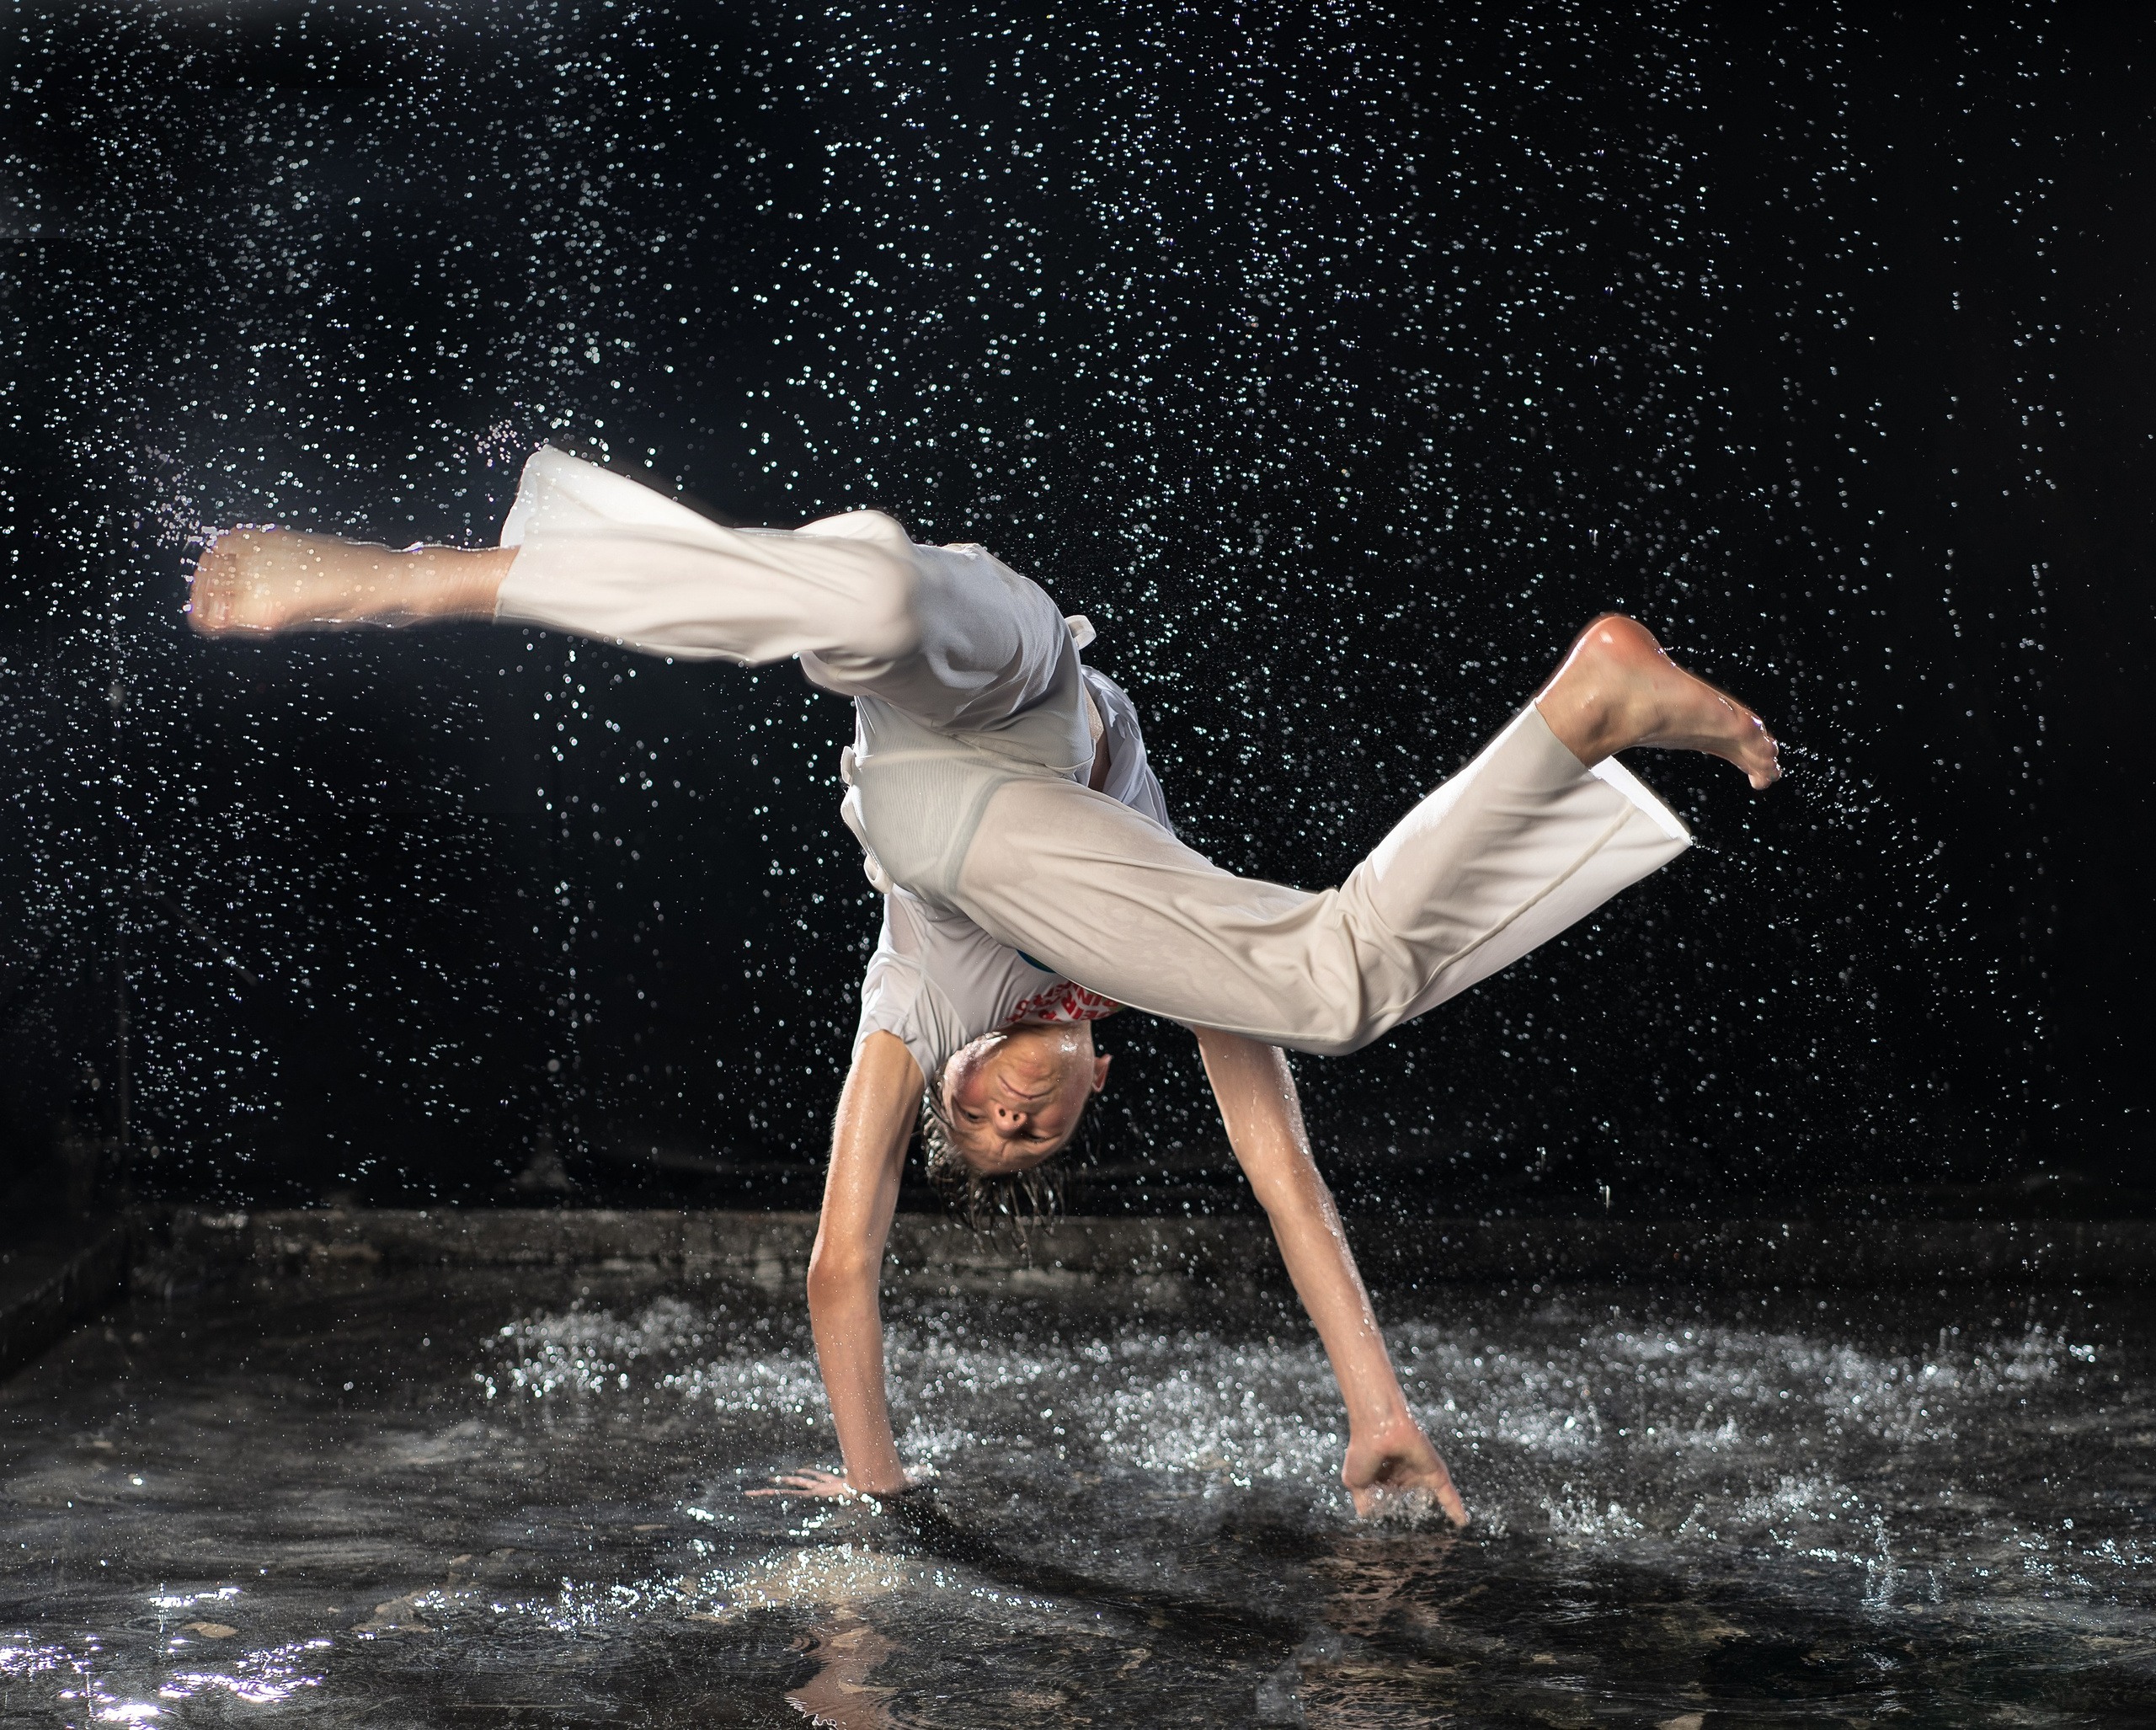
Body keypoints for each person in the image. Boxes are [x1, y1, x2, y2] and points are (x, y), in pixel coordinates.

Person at [190, 446, 1780, 1527]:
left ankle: (409, 578)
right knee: (1330, 982)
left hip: (949, 753)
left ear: (956, 1087)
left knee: (877, 600)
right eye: (1043, 1136)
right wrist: (1378, 1402)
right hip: (1007, 682)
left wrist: (873, 1481)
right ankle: (1588, 703)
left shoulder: (912, 1008)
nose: (1014, 1114)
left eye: (991, 1130)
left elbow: (840, 1259)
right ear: (1093, 1088)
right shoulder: (1149, 947)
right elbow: (1286, 1175)